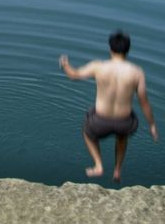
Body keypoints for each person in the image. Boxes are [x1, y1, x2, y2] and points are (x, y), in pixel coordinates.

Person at [59, 30, 158, 181]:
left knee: (87, 133)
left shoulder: (98, 66)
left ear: (110, 49)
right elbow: (143, 101)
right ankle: (117, 170)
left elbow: (74, 75)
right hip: (124, 122)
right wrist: (152, 125)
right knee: (122, 137)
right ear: (128, 50)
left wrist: (65, 64)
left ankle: (98, 165)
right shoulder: (137, 72)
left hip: (100, 120)